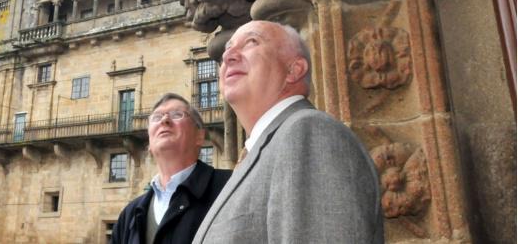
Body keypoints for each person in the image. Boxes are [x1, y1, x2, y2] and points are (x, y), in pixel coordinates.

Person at [193, 21, 384, 243]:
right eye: (227, 49)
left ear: (293, 70)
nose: (228, 57)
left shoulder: (309, 134)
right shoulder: (265, 149)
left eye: (251, 42)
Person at [111, 94, 231, 244]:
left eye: (176, 115)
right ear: (149, 141)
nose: (164, 120)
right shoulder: (129, 214)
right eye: (156, 117)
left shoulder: (231, 187)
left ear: (199, 136)